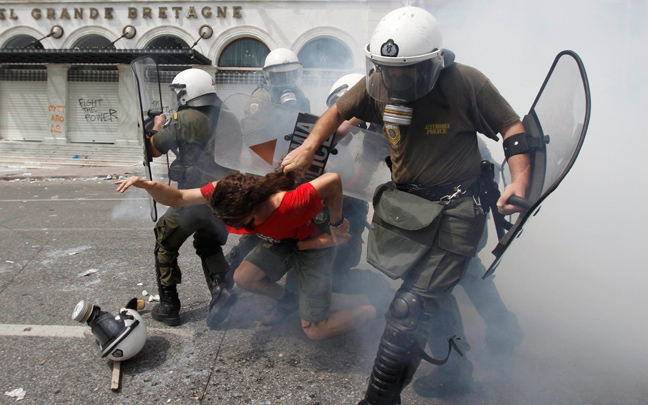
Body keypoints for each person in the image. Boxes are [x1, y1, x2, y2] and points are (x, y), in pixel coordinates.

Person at [280, 6, 531, 404]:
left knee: (408, 308)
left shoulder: (466, 82)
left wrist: (519, 180)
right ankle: (456, 372)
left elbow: (513, 129)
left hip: (457, 211)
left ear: (431, 62)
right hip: (410, 213)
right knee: (437, 296)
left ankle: (380, 398)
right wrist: (312, 146)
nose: (394, 79)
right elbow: (338, 112)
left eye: (405, 71)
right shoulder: (379, 82)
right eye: (386, 69)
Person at [116, 171, 383, 341]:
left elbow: (333, 180)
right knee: (244, 277)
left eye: (244, 222)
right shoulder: (227, 192)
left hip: (313, 247)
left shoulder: (289, 203)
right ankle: (289, 300)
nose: (240, 228)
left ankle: (382, 307)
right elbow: (179, 197)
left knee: (316, 330)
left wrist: (336, 223)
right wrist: (147, 185)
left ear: (255, 208)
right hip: (283, 243)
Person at [146, 68, 237, 328]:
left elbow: (153, 149)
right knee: (209, 245)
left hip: (192, 197)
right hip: (222, 196)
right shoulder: (229, 118)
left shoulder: (183, 117)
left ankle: (169, 306)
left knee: (164, 242)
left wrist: (156, 127)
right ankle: (221, 294)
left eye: (179, 92)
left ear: (188, 92)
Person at [226, 48, 312, 275]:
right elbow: (253, 136)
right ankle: (239, 261)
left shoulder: (301, 98)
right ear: (268, 77)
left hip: (289, 166)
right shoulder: (261, 98)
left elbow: (307, 132)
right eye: (278, 76)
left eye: (288, 74)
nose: (284, 80)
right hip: (266, 165)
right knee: (262, 216)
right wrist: (275, 162)